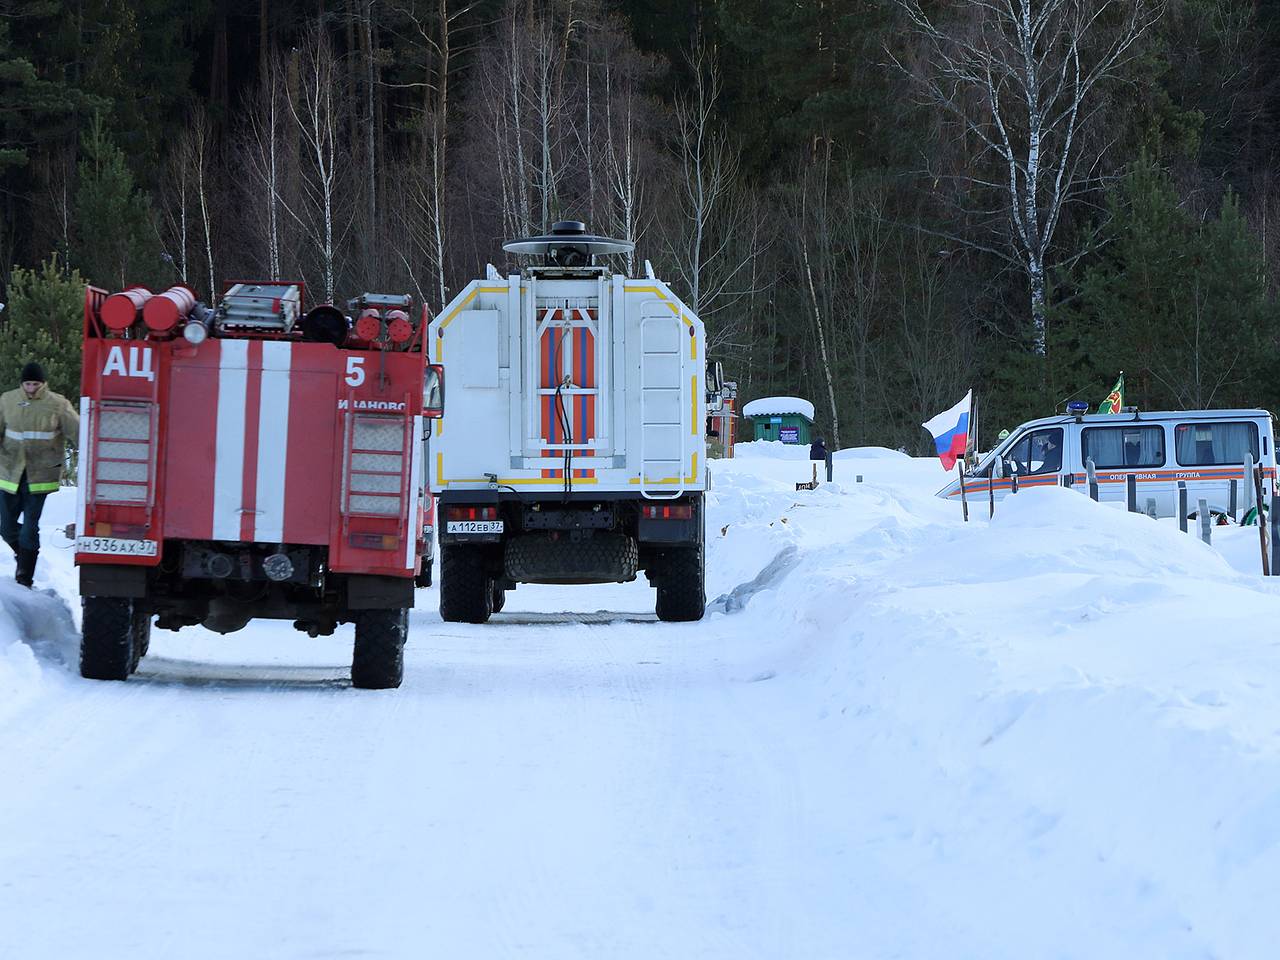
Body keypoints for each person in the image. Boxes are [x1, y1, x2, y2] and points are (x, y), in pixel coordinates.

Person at [0, 362, 79, 587]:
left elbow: (78, 431)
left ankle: (24, 575)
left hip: (39, 477)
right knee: (5, 527)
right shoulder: (7, 400)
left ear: (43, 383)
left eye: (35, 383)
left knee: (29, 527)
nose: (31, 388)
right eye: (28, 383)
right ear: (21, 383)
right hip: (9, 473)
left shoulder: (57, 404)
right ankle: (22, 555)